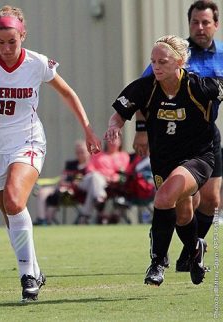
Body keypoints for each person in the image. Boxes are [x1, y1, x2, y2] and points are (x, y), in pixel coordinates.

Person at [0, 5, 101, 301]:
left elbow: (68, 93)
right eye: (1, 42)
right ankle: (35, 268)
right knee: (10, 215)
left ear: (23, 35)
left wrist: (87, 128)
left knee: (14, 200)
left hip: (28, 141)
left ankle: (26, 277)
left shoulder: (37, 63)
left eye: (13, 41)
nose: (7, 48)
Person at [105, 35, 223, 286]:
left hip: (198, 157)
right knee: (182, 214)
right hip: (163, 160)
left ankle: (158, 262)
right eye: (153, 61)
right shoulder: (145, 88)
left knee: (163, 197)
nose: (156, 67)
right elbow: (118, 115)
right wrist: (114, 128)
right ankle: (195, 251)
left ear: (180, 62)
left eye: (163, 62)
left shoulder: (198, 87)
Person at [135, 0, 223, 272]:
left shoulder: (221, 56)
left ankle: (191, 250)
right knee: (186, 202)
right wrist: (141, 131)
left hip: (206, 137)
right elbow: (141, 92)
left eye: (205, 22)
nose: (199, 27)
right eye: (195, 22)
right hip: (172, 138)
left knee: (212, 200)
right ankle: (179, 251)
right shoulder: (172, 55)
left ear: (215, 25)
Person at [34, 140, 90, 225]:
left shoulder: (89, 166)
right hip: (61, 187)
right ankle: (42, 219)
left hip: (74, 192)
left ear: (88, 152)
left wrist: (67, 185)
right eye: (77, 152)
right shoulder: (70, 164)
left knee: (57, 195)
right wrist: (63, 183)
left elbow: (79, 183)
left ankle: (47, 220)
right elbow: (63, 178)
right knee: (42, 192)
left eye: (82, 152)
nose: (79, 154)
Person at [76, 138, 130, 224]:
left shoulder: (123, 156)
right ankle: (100, 198)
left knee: (93, 188)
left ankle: (86, 215)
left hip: (105, 185)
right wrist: (103, 176)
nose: (112, 142)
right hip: (88, 180)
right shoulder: (98, 154)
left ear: (120, 142)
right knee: (95, 177)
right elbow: (90, 169)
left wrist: (115, 177)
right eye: (110, 140)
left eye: (115, 140)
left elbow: (123, 172)